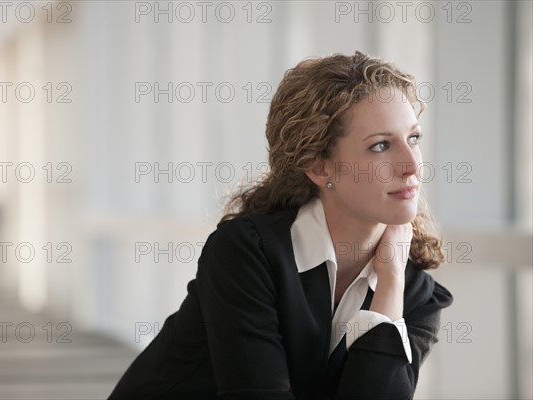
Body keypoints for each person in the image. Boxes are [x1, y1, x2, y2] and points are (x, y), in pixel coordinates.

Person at [109, 51, 453, 400]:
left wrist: (391, 282)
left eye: (413, 138)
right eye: (381, 145)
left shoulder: (417, 295)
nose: (411, 164)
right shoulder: (245, 254)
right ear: (320, 168)